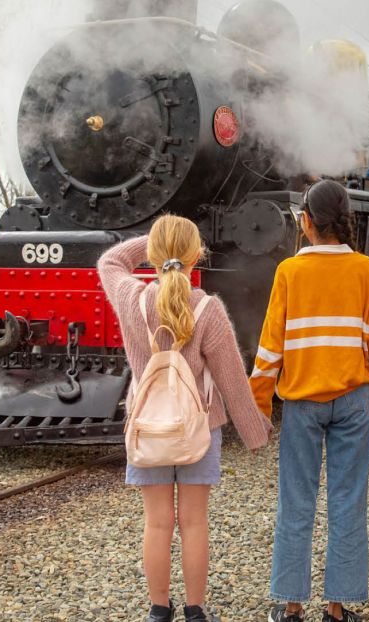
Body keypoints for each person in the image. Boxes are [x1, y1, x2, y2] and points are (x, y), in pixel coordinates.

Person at [98, 214, 271, 622]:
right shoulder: (208, 309)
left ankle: (159, 610)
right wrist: (255, 434)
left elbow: (109, 262)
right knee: (193, 523)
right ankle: (196, 611)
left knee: (157, 524)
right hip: (199, 430)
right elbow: (232, 380)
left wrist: (158, 244)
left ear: (154, 256)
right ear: (198, 256)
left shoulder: (131, 298)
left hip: (147, 431)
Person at [249, 179, 369, 622]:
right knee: (348, 500)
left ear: (307, 222)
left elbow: (270, 348)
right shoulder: (368, 270)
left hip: (302, 402)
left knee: (296, 501)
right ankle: (337, 608)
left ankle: (292, 607)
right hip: (354, 401)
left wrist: (257, 411)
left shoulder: (289, 272)